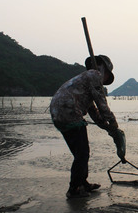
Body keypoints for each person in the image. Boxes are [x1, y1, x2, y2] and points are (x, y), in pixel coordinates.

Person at [50, 55, 119, 199]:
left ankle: (82, 182)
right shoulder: (94, 75)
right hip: (69, 110)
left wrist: (106, 127)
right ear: (104, 70)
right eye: (107, 76)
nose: (105, 81)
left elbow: (94, 111)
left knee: (80, 152)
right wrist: (113, 123)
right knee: (82, 153)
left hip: (59, 112)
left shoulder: (85, 82)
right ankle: (74, 188)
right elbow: (102, 104)